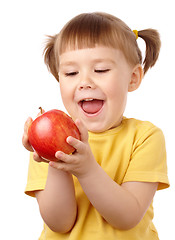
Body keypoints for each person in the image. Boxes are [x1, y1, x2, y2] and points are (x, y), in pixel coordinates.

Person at [23, 12, 169, 240]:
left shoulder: (145, 137)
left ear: (132, 78)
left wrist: (86, 169)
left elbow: (127, 216)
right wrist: (56, 160)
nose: (85, 82)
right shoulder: (45, 140)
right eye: (71, 73)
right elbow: (59, 223)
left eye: (100, 70)